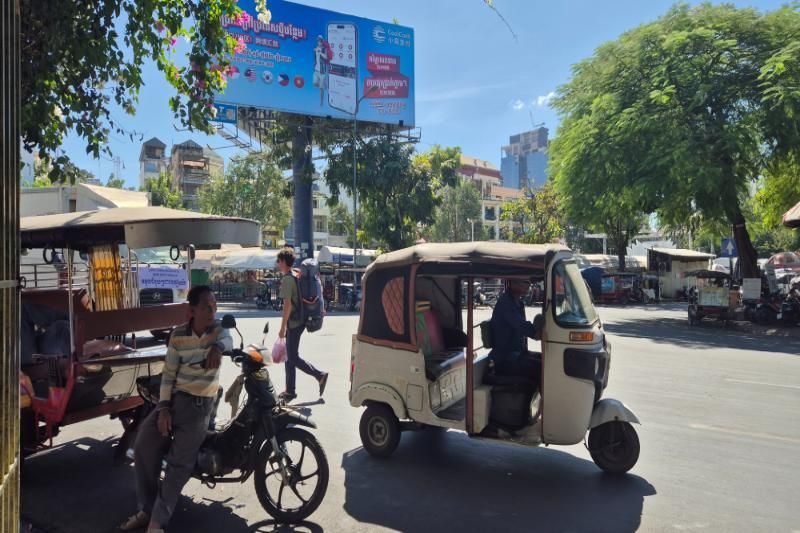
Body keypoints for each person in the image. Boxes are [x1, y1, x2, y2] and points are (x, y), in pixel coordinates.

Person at [120, 285, 232, 533]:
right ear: (192, 310)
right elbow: (168, 376)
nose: (212, 311)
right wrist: (163, 409)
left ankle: (156, 523)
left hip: (201, 407)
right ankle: (146, 509)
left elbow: (228, 338)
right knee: (142, 447)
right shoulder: (179, 335)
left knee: (178, 467)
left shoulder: (218, 331)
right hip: (175, 402)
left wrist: (218, 348)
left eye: (214, 306)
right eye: (206, 307)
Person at [277, 247, 328, 402]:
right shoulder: (295, 274)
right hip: (300, 320)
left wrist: (282, 327)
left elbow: (288, 305)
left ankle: (319, 375)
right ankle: (290, 390)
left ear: (284, 262)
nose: (278, 264)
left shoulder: (287, 279)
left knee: (292, 357)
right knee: (289, 356)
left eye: (279, 261)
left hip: (294, 322)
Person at [488, 278, 542, 383]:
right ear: (513, 283)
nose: (529, 285)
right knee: (542, 368)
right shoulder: (505, 303)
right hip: (505, 359)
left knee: (545, 359)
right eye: (526, 282)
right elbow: (520, 324)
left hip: (517, 354)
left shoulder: (518, 303)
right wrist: (535, 333)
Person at [313, 35, 330, 106]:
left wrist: (320, 52)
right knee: (314, 83)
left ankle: (321, 102)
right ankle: (325, 86)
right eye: (318, 41)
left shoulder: (324, 49)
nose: (319, 42)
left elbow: (326, 57)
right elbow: (315, 59)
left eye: (320, 41)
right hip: (316, 70)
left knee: (321, 88)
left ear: (322, 42)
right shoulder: (316, 49)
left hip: (322, 71)